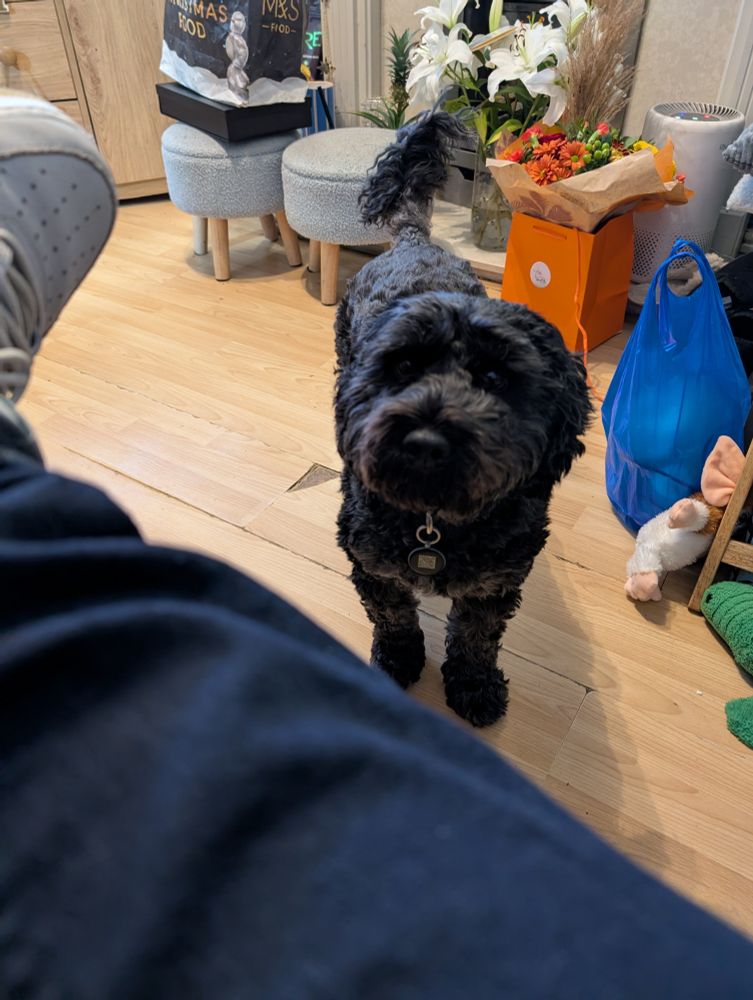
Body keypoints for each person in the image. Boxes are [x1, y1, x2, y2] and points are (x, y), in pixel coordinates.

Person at [1, 93, 752, 999]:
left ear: (554, 442)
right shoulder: (366, 353)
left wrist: (470, 659)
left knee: (483, 596)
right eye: (400, 377)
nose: (438, 419)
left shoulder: (523, 511)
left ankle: (467, 664)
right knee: (381, 578)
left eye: (487, 383)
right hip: (380, 395)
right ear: (352, 398)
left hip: (483, 527)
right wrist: (395, 630)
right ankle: (398, 636)